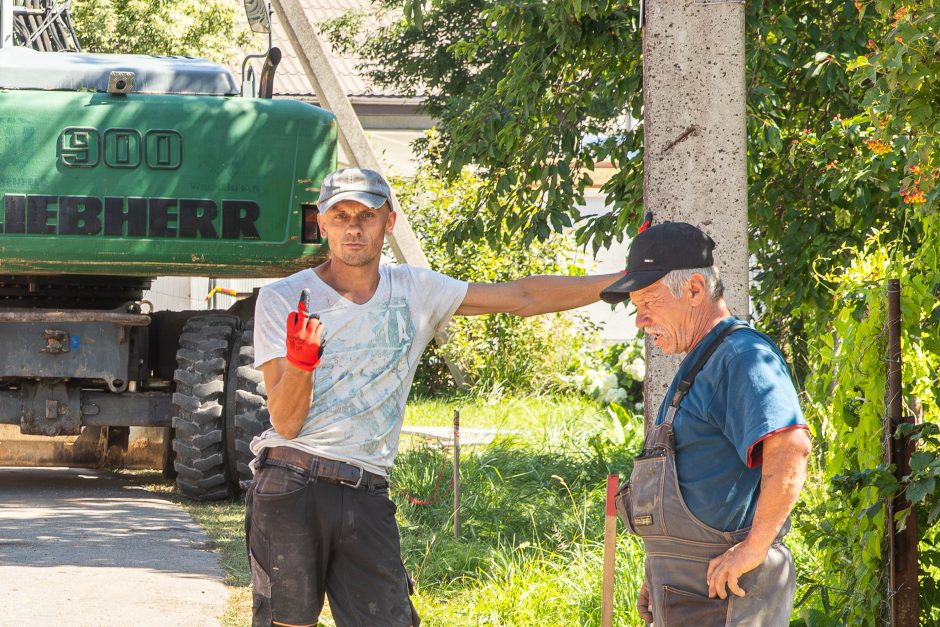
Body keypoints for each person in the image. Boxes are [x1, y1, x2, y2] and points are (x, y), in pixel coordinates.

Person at [245, 167, 620, 627]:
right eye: (340, 216)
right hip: (292, 482)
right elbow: (284, 423)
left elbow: (521, 296)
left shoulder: (415, 290)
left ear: (389, 222)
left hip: (366, 489)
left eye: (367, 214)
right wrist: (302, 363)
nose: (354, 227)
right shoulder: (284, 297)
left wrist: (622, 280)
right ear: (322, 225)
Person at [601, 221, 812, 625]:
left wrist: (753, 548)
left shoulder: (742, 356)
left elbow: (790, 446)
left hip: (724, 599)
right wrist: (661, 573)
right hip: (688, 596)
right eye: (636, 307)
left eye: (648, 302)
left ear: (695, 289)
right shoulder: (701, 361)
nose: (640, 321)